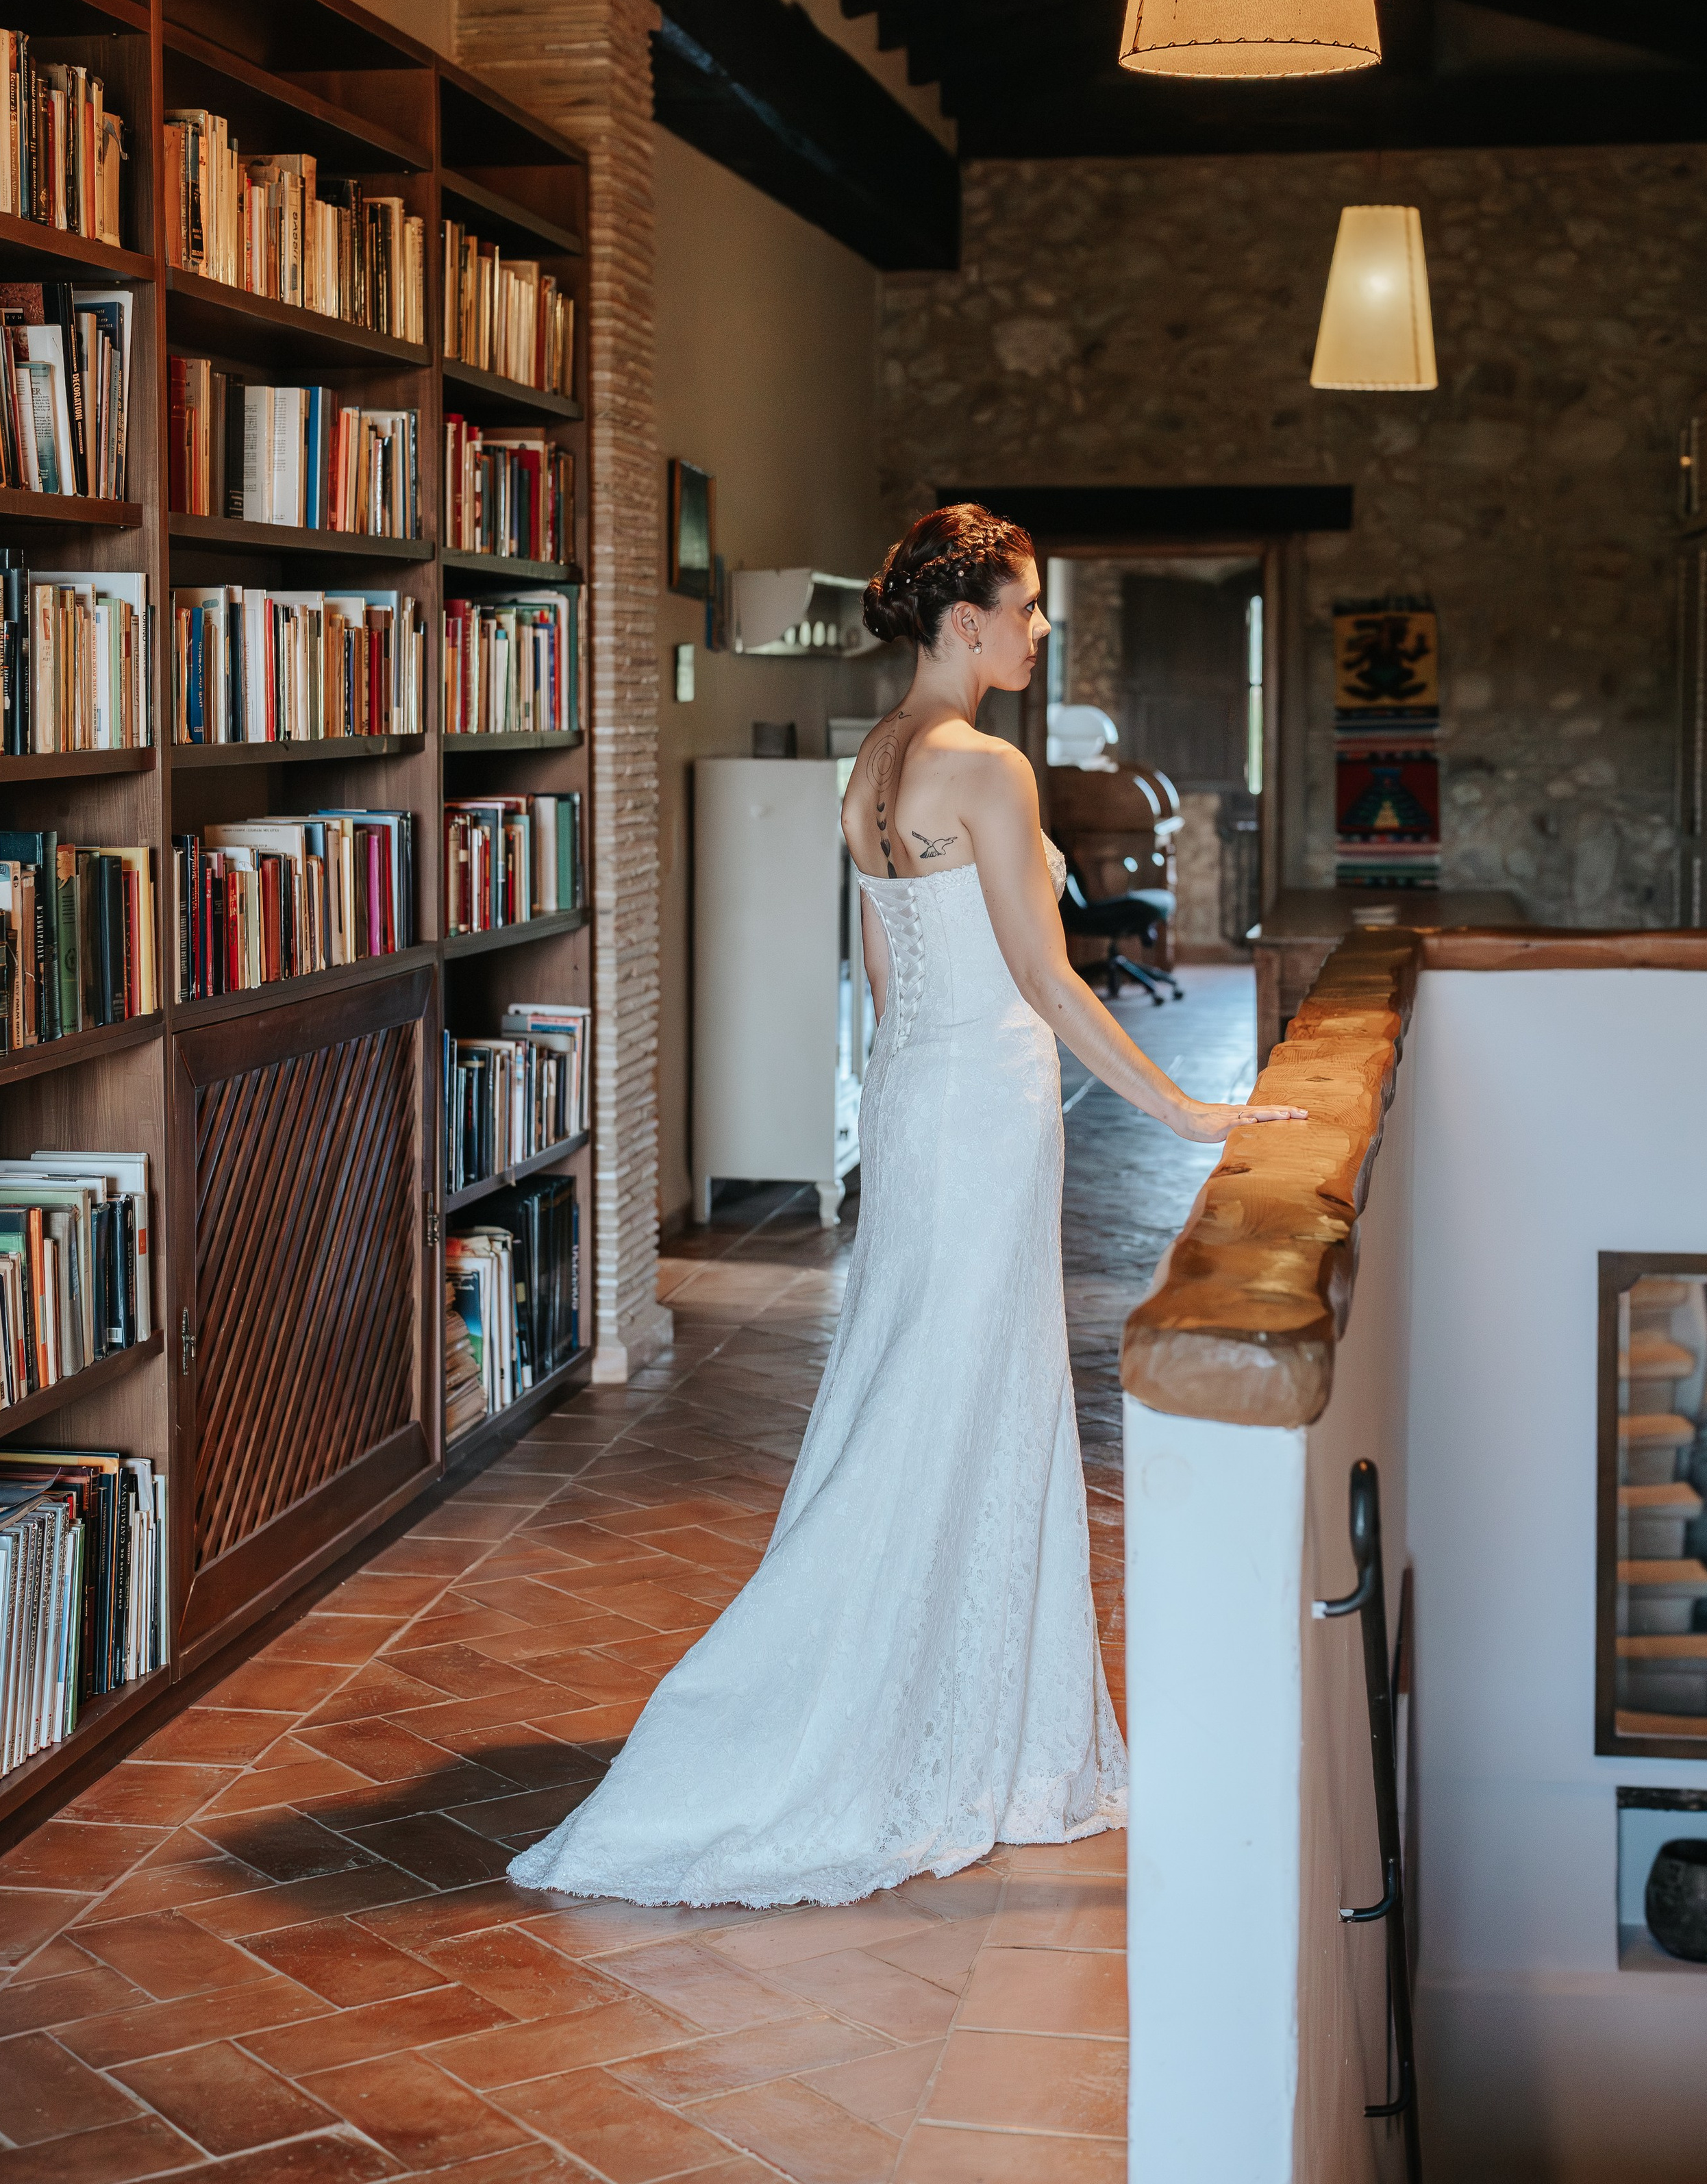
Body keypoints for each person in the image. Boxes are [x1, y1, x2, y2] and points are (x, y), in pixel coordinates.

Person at [509, 504, 1306, 1911]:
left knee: (924, 1386)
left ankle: (967, 1720)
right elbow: (1052, 983)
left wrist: (928, 1093)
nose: (1037, 628)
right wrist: (1186, 1112)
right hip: (983, 1116)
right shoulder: (985, 769)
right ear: (962, 623)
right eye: (1025, 606)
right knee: (959, 1400)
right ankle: (891, 1717)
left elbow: (889, 981)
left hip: (918, 1100)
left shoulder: (870, 767)